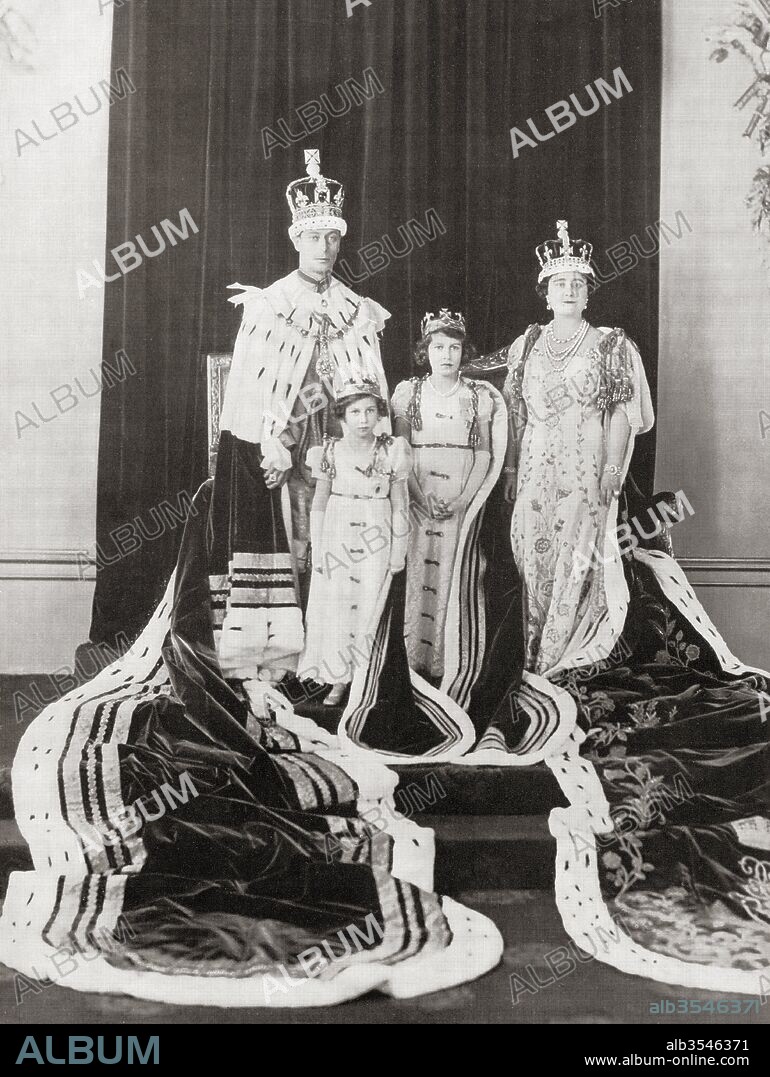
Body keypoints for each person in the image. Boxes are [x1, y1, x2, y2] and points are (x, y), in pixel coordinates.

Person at [215, 148, 391, 690]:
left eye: (333, 238)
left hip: (342, 451)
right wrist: (270, 444)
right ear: (295, 240)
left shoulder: (357, 310)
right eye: (314, 238)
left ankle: (338, 658)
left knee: (338, 552)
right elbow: (246, 392)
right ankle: (287, 658)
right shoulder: (267, 307)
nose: (325, 248)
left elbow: (373, 391)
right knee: (294, 546)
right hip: (285, 451)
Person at [502, 219, 653, 676]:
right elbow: (515, 415)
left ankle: (561, 659)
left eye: (576, 284)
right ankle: (532, 655)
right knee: (531, 553)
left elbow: (622, 414)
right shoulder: (526, 344)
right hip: (533, 469)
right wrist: (510, 471)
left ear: (588, 294)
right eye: (559, 283)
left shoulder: (610, 345)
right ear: (545, 293)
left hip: (586, 468)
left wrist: (612, 469)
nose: (568, 290)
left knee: (576, 557)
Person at [392, 311, 503, 681]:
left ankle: (447, 659)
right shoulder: (410, 391)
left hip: (460, 492)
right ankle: (412, 658)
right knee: (418, 568)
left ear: (463, 351)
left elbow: (485, 453)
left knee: (455, 573)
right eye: (438, 347)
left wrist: (464, 500)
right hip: (419, 491)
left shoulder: (478, 396)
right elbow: (401, 448)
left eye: (454, 347)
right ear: (426, 351)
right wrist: (418, 496)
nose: (446, 355)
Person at [298, 378, 410, 704]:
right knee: (336, 605)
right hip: (338, 531)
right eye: (355, 412)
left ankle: (366, 678)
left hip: (376, 532)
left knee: (370, 603)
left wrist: (398, 551)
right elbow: (318, 502)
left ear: (380, 414)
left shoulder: (392, 450)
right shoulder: (329, 450)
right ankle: (338, 679)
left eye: (370, 411)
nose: (363, 419)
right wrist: (318, 548)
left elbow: (401, 504)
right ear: (342, 416)